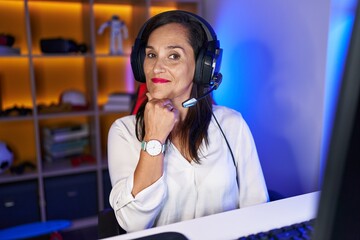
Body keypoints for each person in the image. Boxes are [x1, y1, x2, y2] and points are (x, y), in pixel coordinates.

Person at [107, 10, 269, 233]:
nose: (156, 68)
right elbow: (132, 222)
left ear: (203, 67)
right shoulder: (123, 131)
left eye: (173, 56)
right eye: (151, 55)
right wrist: (154, 138)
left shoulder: (232, 124)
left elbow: (257, 208)